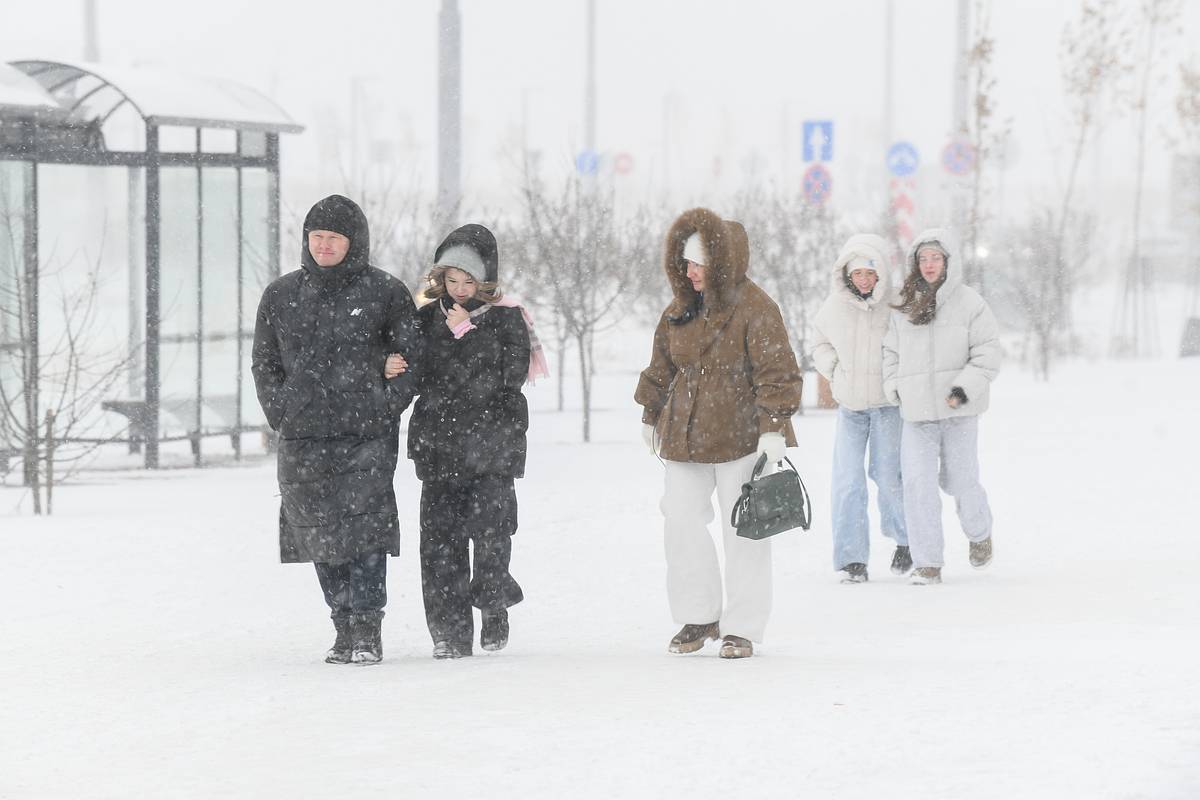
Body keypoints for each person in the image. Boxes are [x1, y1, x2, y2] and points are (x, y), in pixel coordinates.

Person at [251, 194, 417, 664]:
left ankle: (367, 626)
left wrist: (384, 405)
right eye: (317, 237)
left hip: (366, 433)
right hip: (303, 434)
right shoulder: (281, 296)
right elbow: (264, 362)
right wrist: (280, 410)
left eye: (334, 238)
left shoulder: (386, 293)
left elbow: (410, 360)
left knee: (364, 532)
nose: (324, 245)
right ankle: (341, 624)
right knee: (317, 532)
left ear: (354, 242)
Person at [635, 207, 803, 659]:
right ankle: (699, 614)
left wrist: (773, 430)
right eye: (685, 264)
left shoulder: (757, 308)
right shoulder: (680, 309)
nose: (689, 273)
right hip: (684, 437)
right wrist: (650, 413)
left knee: (746, 530)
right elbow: (662, 365)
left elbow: (779, 373)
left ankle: (743, 626)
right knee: (681, 523)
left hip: (742, 438)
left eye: (698, 265)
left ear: (722, 264)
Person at [386, 224, 544, 659]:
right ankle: (449, 633)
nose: (458, 290)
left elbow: (507, 379)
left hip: (493, 449)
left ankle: (493, 605)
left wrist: (469, 334)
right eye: (451, 280)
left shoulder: (509, 318)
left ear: (485, 280)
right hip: (439, 448)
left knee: (492, 536)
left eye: (468, 281)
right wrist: (393, 364)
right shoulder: (425, 319)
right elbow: (420, 376)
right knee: (439, 546)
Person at [882, 227, 1001, 585]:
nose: (929, 264)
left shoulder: (970, 304)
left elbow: (988, 353)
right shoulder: (904, 306)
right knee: (917, 484)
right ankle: (927, 562)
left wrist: (963, 389)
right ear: (915, 264)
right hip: (917, 415)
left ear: (948, 262)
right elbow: (890, 353)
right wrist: (895, 389)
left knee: (961, 481)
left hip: (958, 413)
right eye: (923, 258)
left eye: (936, 257)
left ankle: (979, 533)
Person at [811, 233, 910, 584]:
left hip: (887, 407)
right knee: (848, 480)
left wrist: (898, 379)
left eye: (870, 274)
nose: (864, 280)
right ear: (847, 275)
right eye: (857, 275)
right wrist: (834, 371)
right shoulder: (834, 307)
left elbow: (911, 344)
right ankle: (853, 558)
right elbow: (818, 342)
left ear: (880, 274)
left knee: (888, 476)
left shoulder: (895, 305)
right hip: (851, 408)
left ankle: (905, 540)